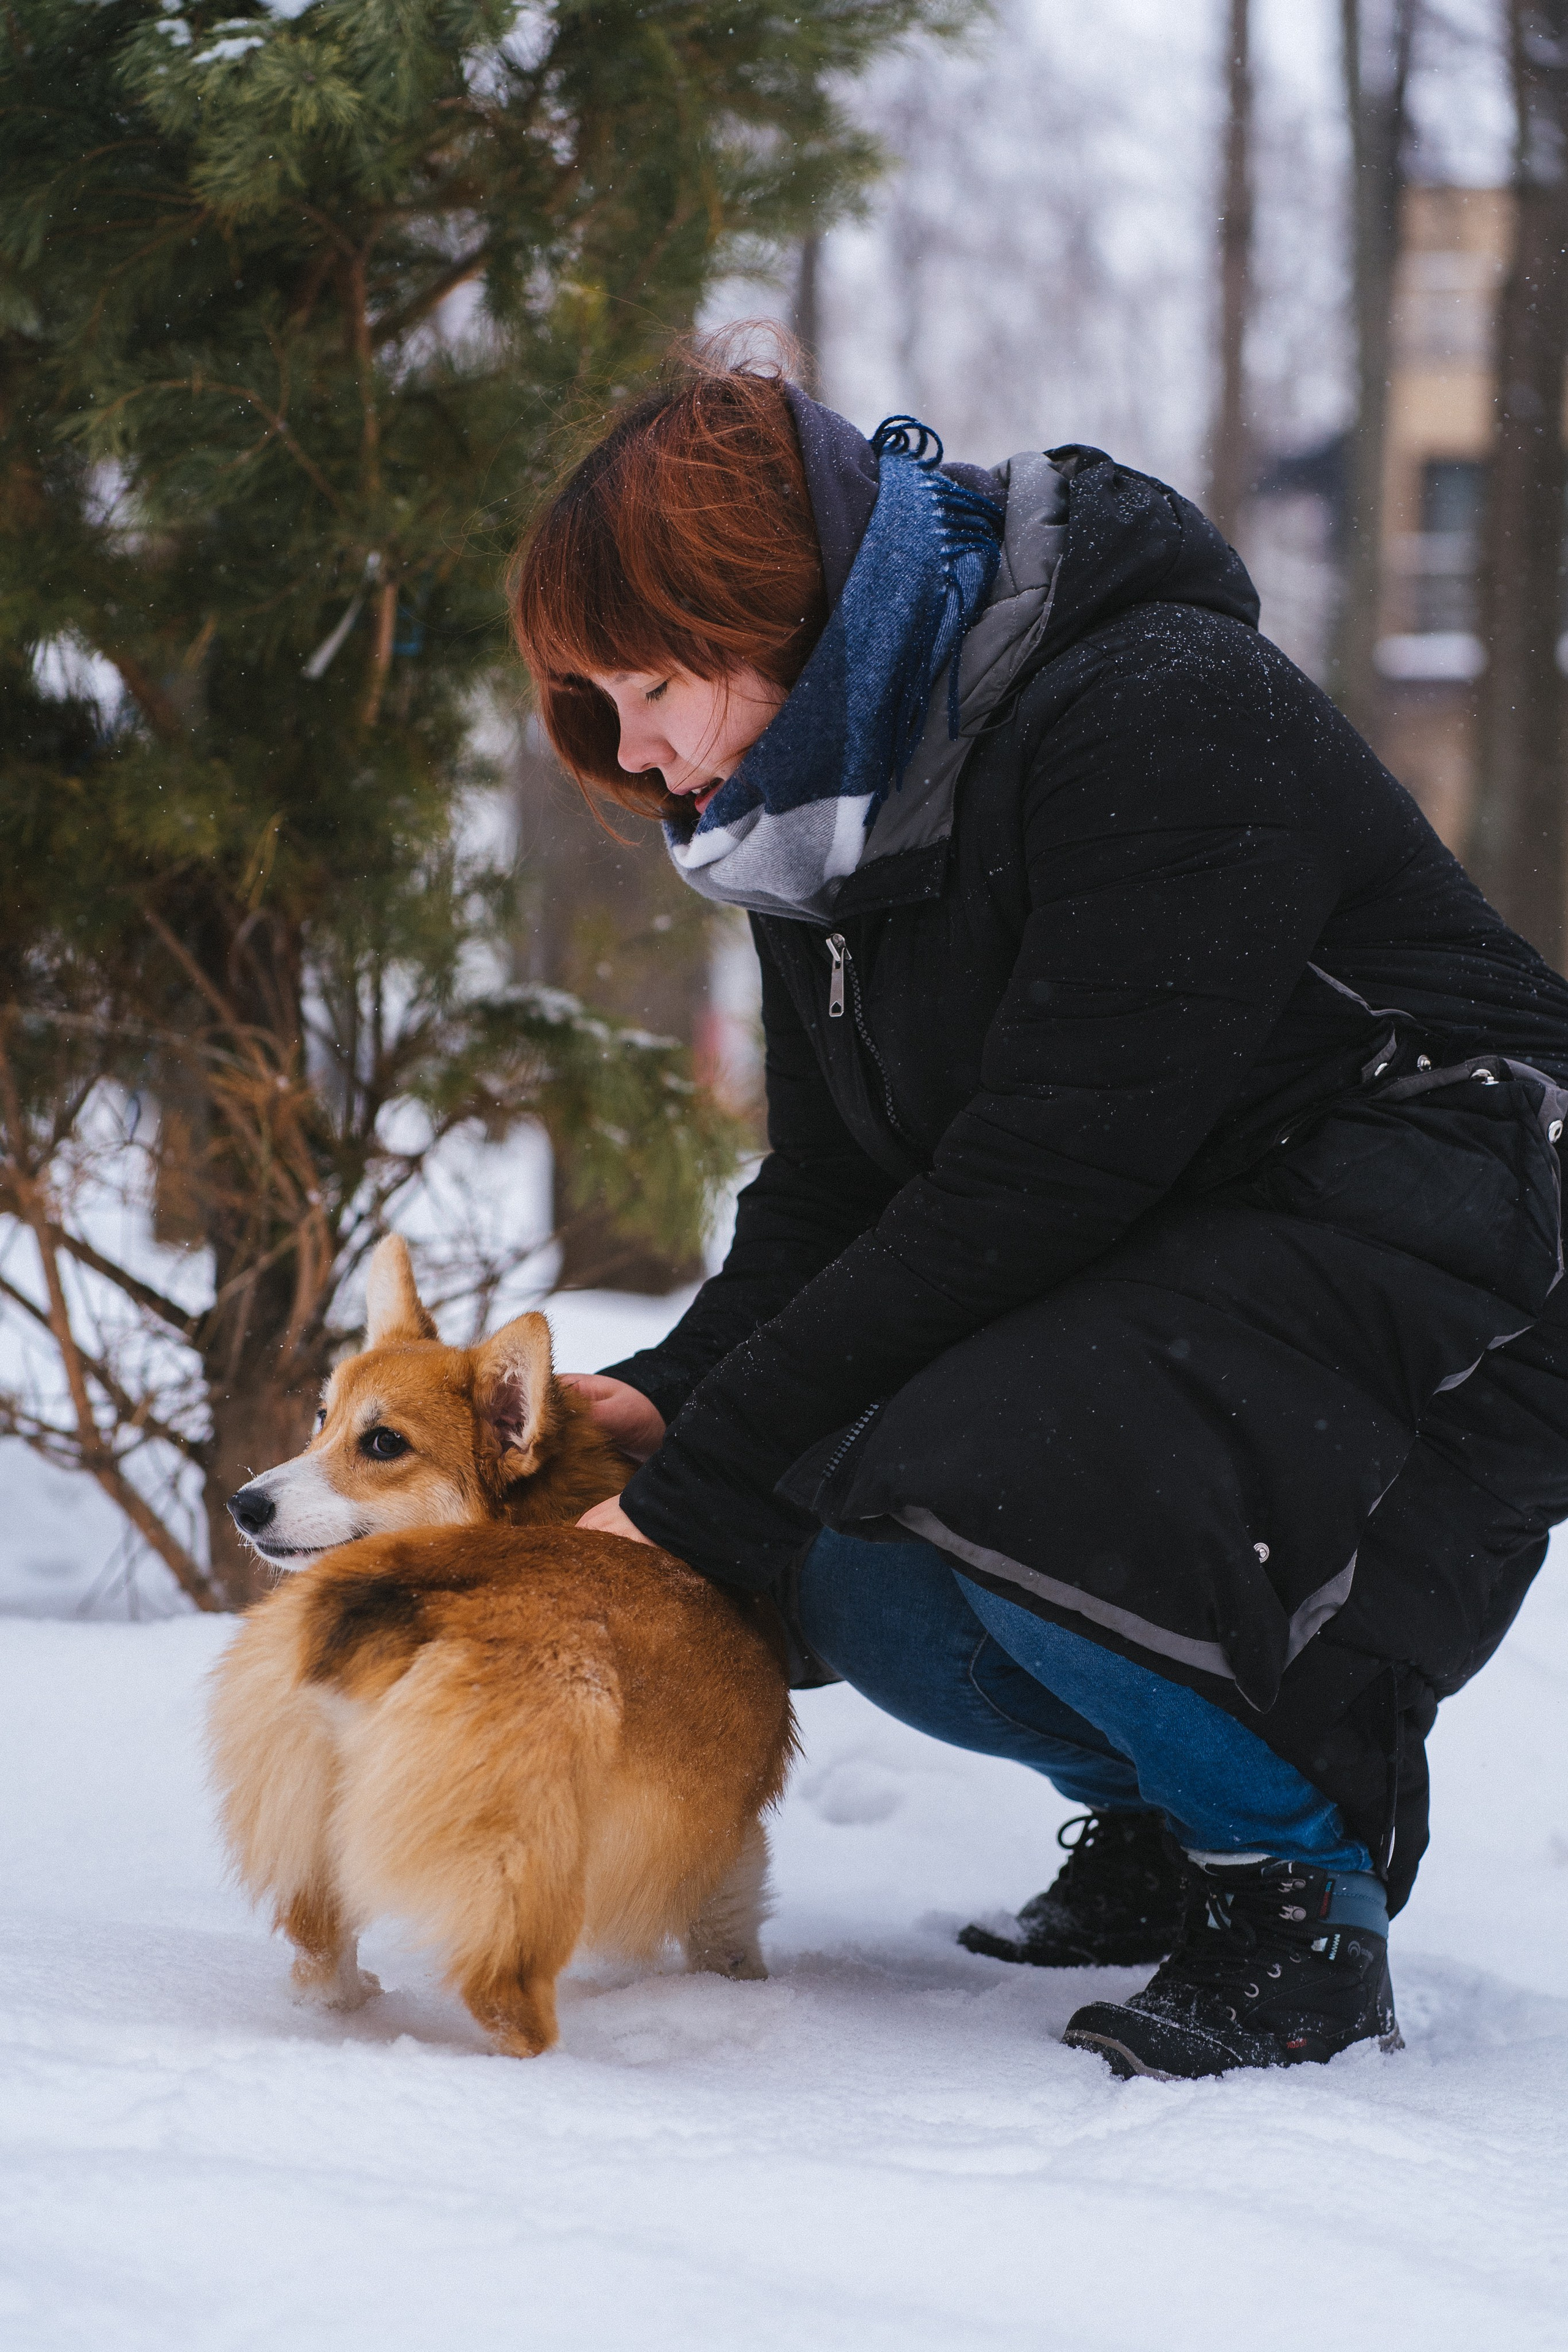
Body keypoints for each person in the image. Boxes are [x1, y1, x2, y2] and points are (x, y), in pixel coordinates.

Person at [509, 348, 1568, 2081]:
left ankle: (1295, 1902)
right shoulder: (820, 818)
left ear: (774, 609)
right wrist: (677, 1397)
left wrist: (692, 1489)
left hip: (1483, 1234)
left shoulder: (1158, 707)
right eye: (593, 714)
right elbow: (843, 1186)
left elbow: (1044, 1182)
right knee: (841, 1553)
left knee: (991, 1453)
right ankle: (1165, 1821)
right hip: (1214, 1259)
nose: (640, 762)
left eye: (649, 689)